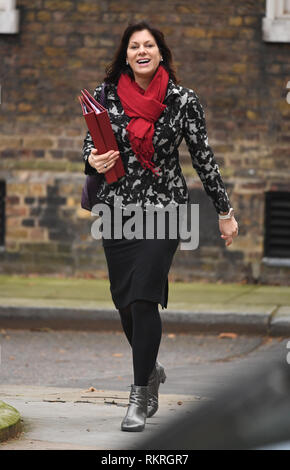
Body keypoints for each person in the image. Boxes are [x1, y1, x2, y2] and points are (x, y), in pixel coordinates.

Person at [82, 21, 239, 432]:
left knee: (145, 295)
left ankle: (138, 396)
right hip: (116, 210)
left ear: (160, 52)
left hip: (164, 210)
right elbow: (91, 143)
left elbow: (203, 158)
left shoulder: (182, 101)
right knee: (125, 303)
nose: (141, 51)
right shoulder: (106, 95)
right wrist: (92, 161)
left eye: (148, 44)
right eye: (134, 46)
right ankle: (150, 368)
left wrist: (225, 211)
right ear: (126, 54)